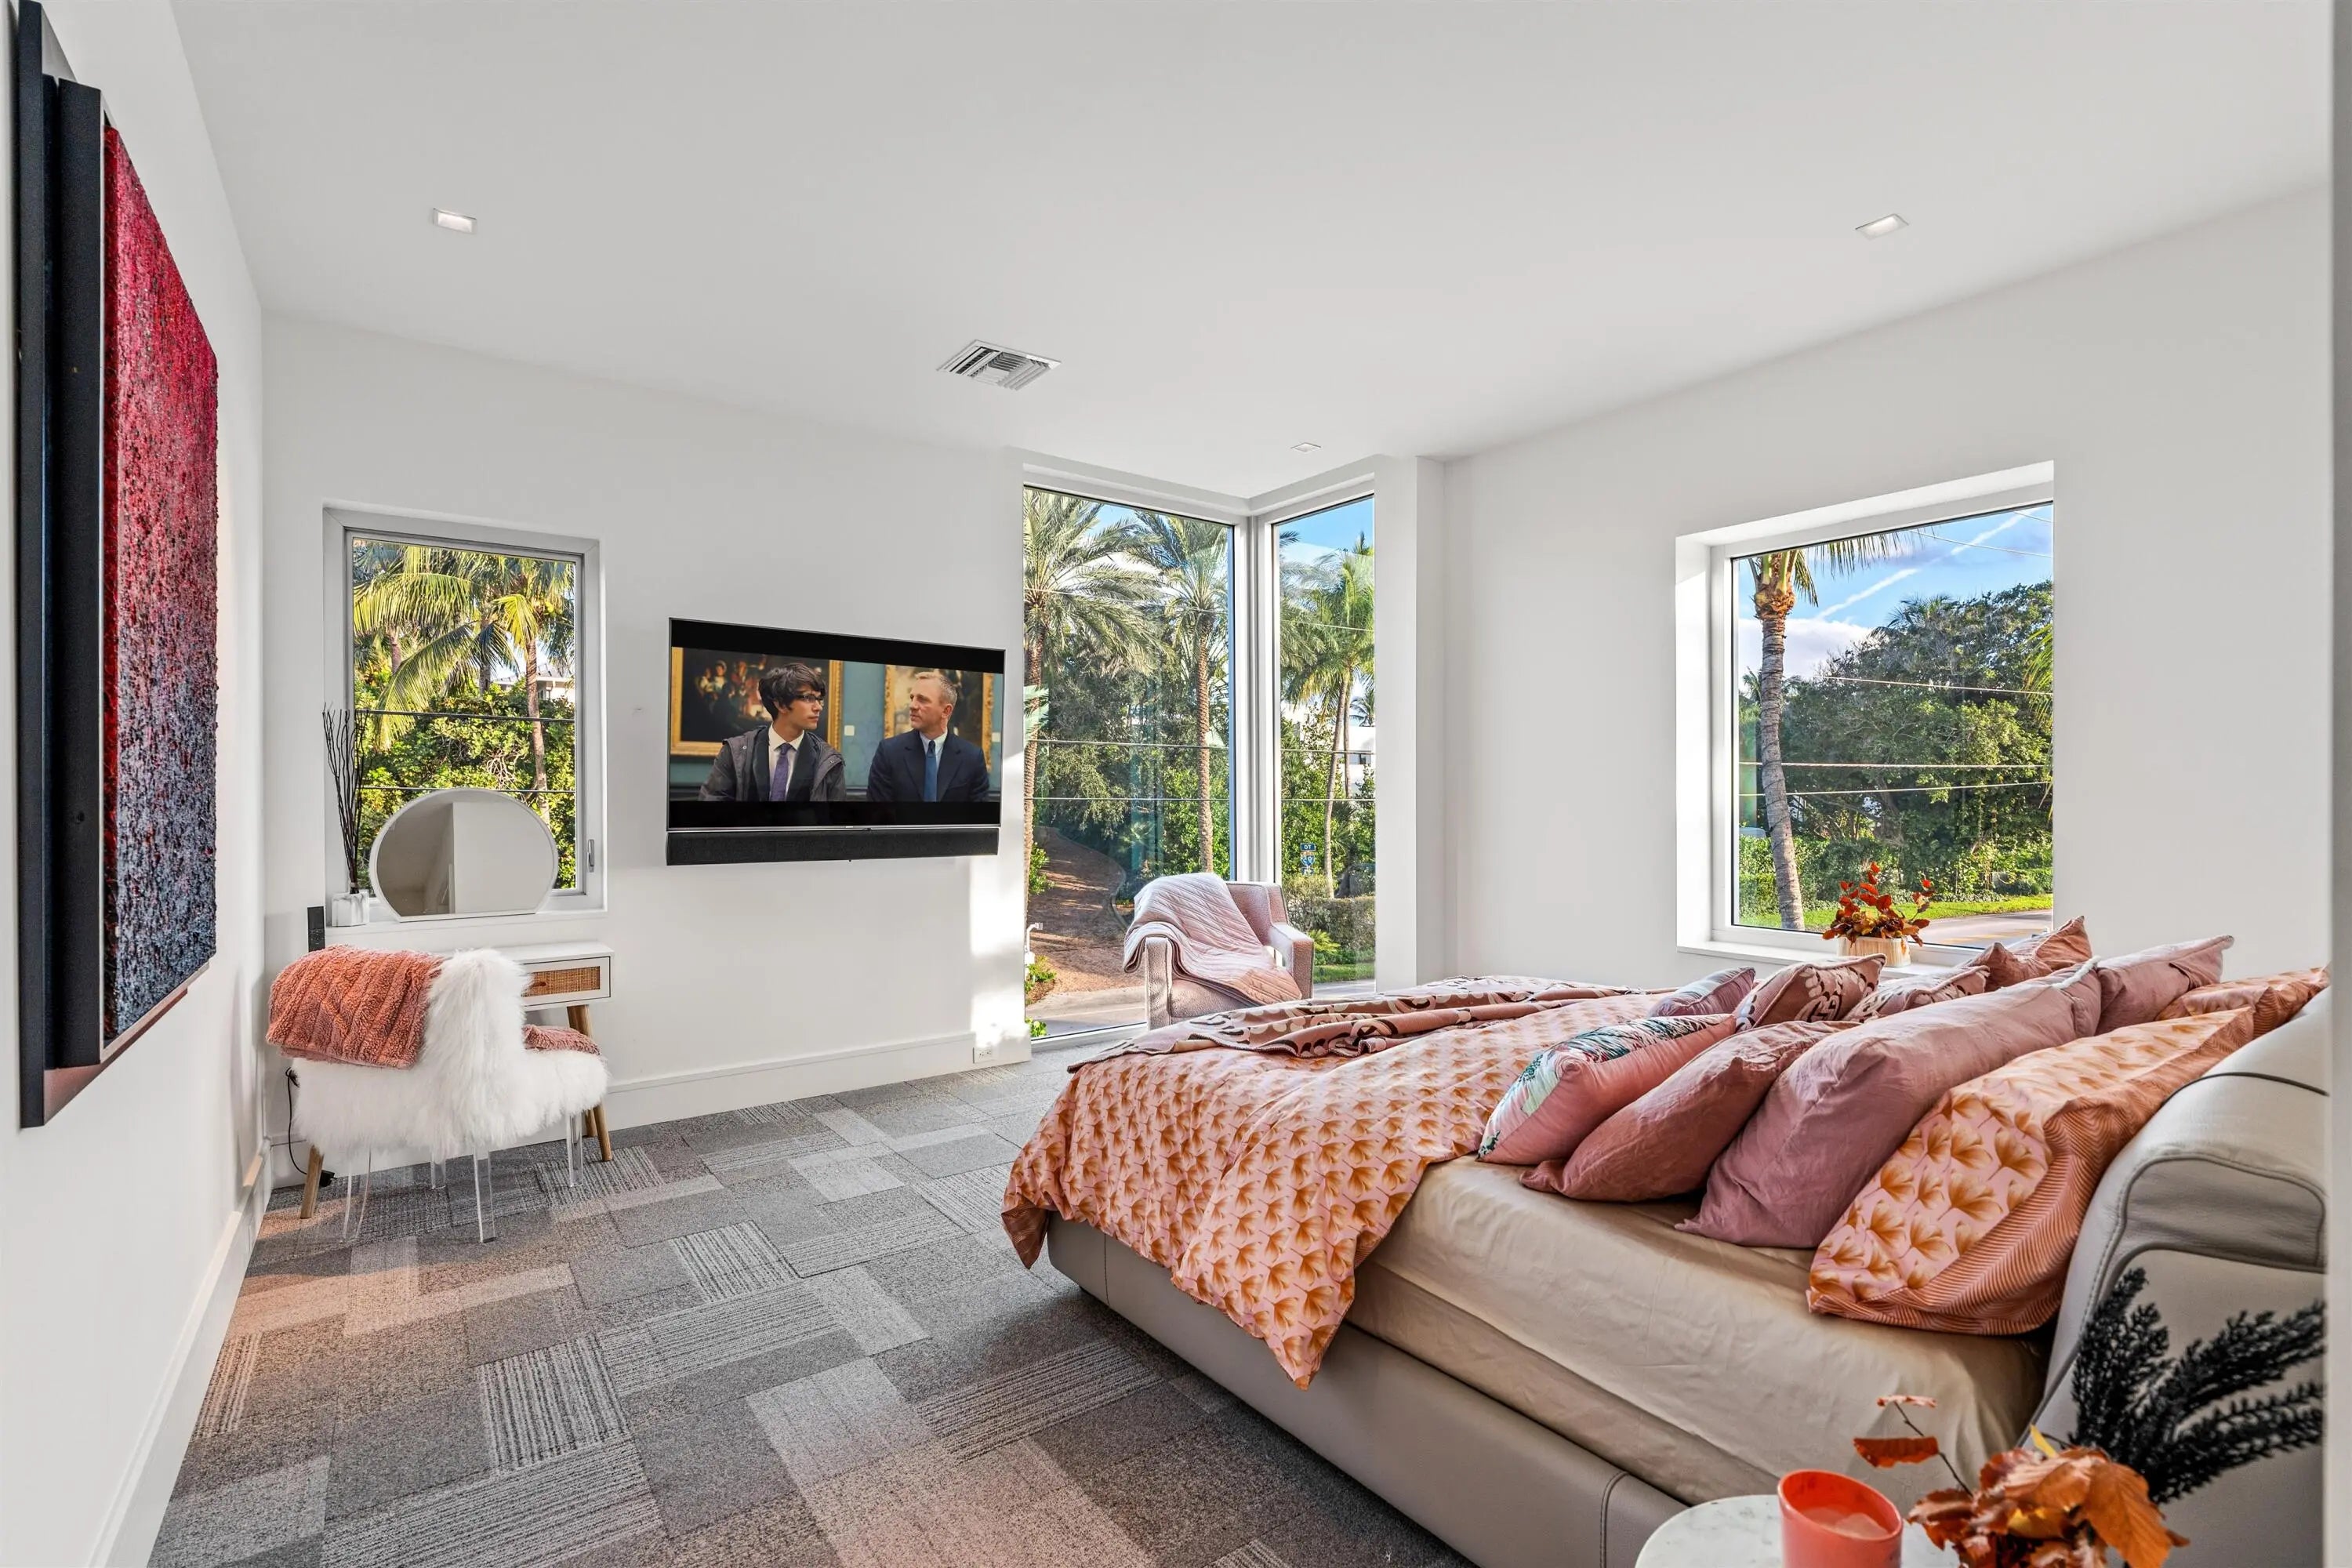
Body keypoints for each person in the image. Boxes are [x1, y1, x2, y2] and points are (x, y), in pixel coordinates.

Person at [697, 662, 845, 802]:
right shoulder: (735, 752)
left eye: (819, 699)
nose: (819, 707)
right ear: (781, 704)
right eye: (809, 698)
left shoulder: (829, 761)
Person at [865, 670, 991, 802]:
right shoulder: (889, 752)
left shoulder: (972, 758)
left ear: (946, 711)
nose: (912, 706)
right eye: (912, 698)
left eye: (922, 700)